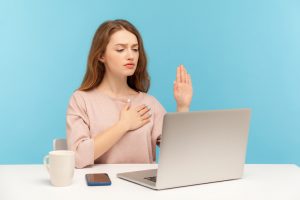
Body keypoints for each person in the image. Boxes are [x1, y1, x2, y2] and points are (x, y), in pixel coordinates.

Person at [66, 19, 193, 168]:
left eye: (135, 49)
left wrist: (183, 106)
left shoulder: (149, 103)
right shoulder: (81, 100)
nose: (131, 56)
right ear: (101, 56)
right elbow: (78, 158)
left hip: (143, 188)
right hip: (100, 187)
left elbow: (179, 154)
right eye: (120, 49)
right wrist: (124, 125)